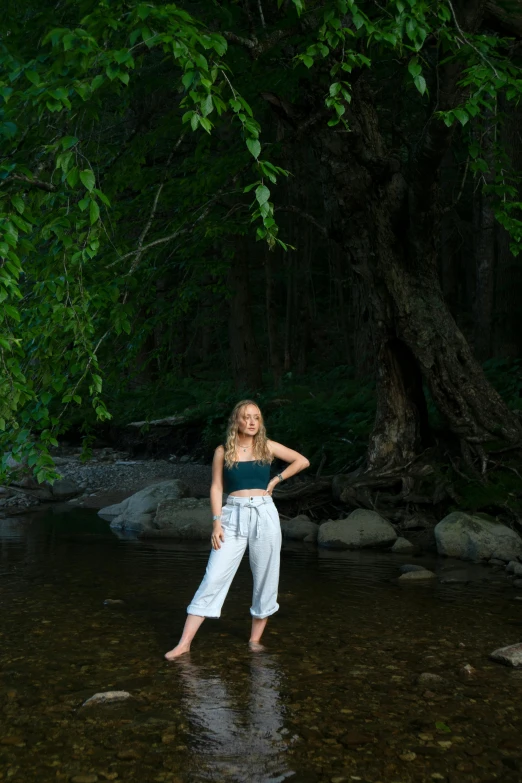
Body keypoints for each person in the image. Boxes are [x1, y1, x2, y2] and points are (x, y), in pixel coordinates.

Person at [165, 399, 310, 659]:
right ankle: (184, 643)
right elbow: (216, 488)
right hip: (232, 515)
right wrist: (216, 522)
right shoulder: (223, 450)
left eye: (256, 417)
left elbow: (301, 461)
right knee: (213, 577)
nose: (252, 422)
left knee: (266, 577)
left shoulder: (267, 446)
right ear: (237, 421)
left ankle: (254, 641)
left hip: (264, 514)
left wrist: (276, 480)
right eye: (246, 417)